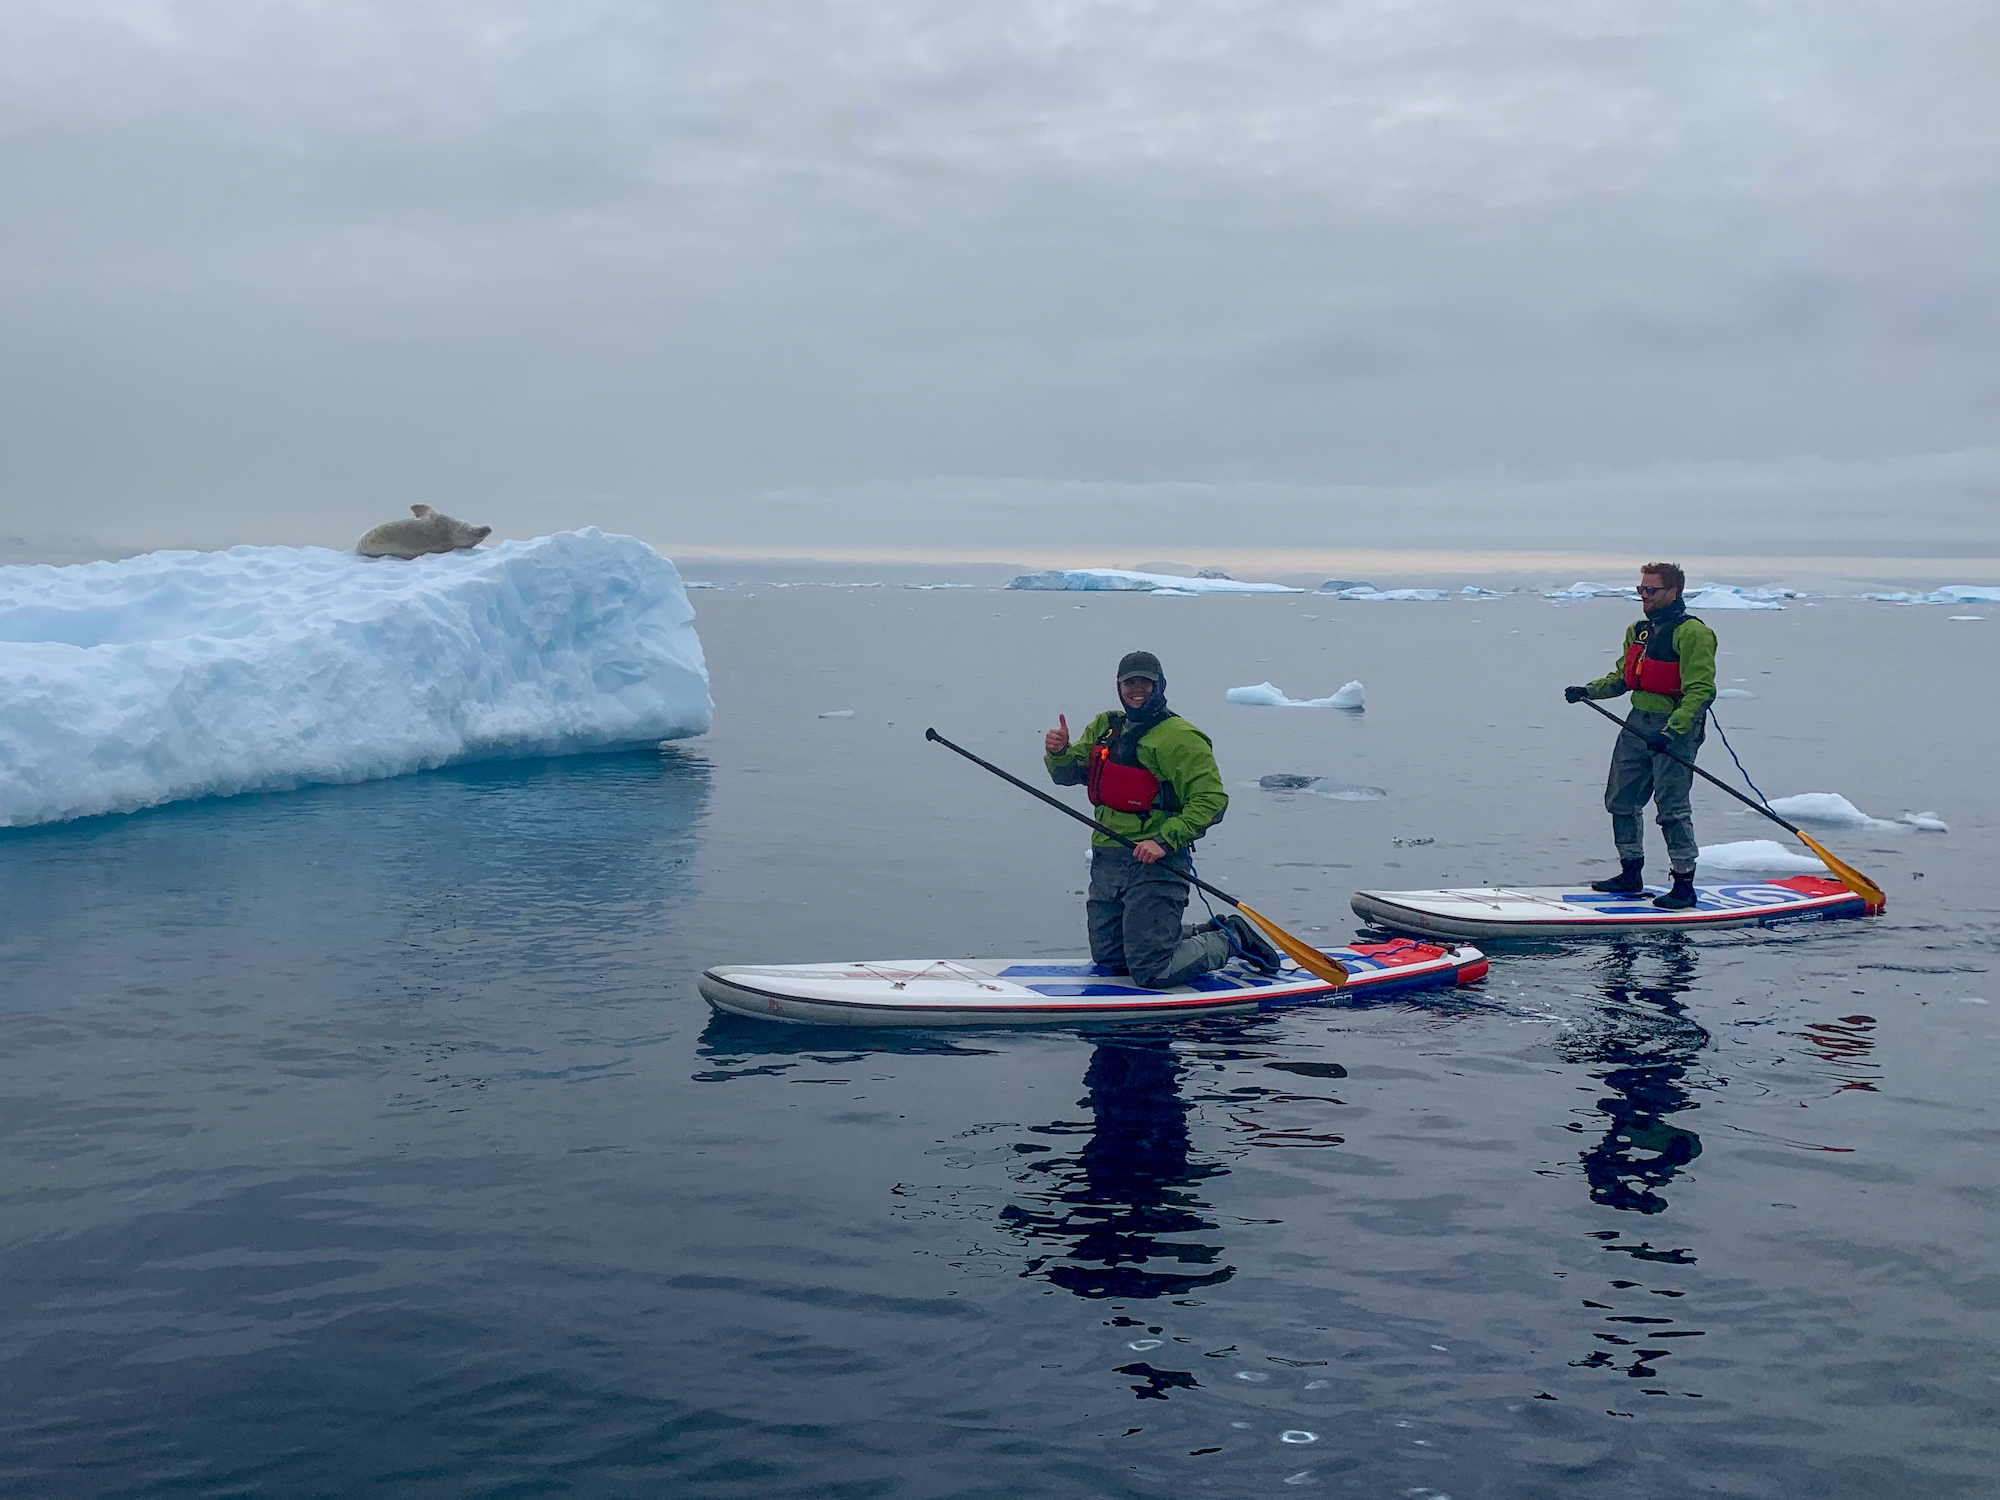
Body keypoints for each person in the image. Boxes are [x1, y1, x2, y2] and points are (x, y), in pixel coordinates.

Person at [1043, 651, 1280, 987]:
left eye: (1145, 682)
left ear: (1159, 686)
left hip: (1155, 863)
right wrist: (1058, 752)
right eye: (1129, 683)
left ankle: (1231, 939)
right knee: (1111, 957)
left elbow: (1211, 800)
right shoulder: (1105, 727)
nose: (1136, 689)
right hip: (1108, 858)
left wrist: (1164, 840)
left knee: (1152, 971)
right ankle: (1196, 932)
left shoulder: (1181, 737)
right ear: (1119, 687)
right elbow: (1069, 774)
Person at [1564, 563, 1717, 910]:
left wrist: (1673, 731)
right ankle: (1630, 872)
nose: (1644, 597)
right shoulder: (1639, 631)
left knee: (1672, 808)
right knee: (1620, 799)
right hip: (1637, 723)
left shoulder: (1693, 633)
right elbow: (1622, 677)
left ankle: (1683, 883)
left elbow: (1701, 690)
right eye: (1641, 590)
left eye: (1651, 591)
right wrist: (1588, 690)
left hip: (1674, 729)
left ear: (1672, 593)